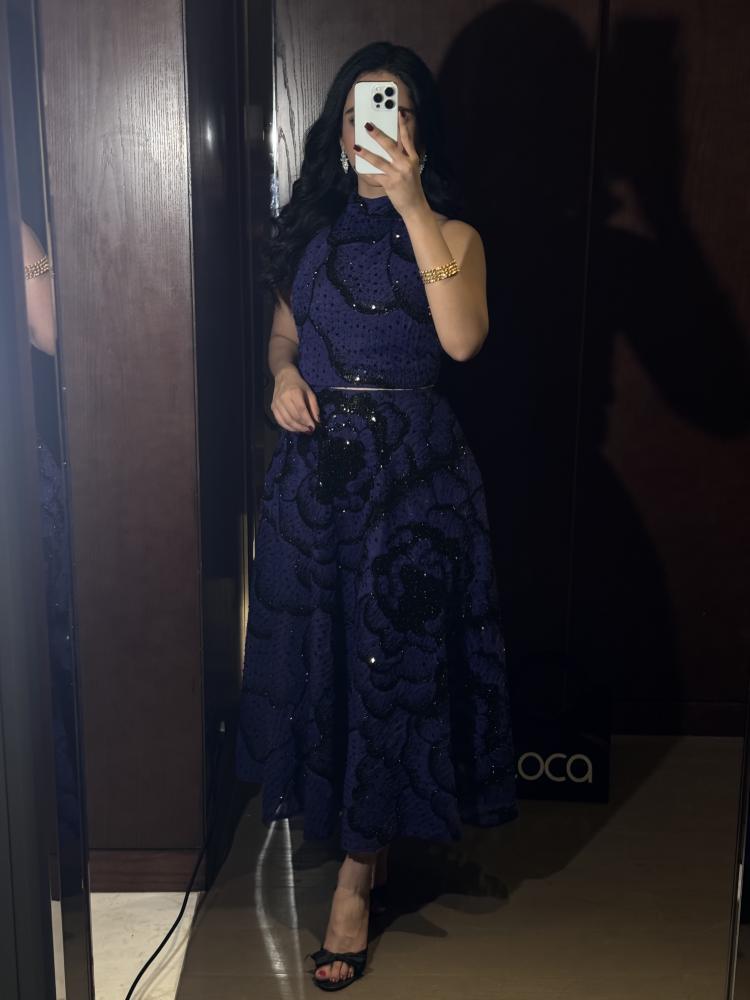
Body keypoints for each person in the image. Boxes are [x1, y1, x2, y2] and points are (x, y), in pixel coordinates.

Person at [235, 41, 519, 990]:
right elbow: (284, 333)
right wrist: (281, 376)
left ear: (416, 127)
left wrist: (411, 204)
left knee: (391, 668)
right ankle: (365, 835)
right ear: (337, 125)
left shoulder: (455, 232)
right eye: (361, 108)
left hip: (411, 482)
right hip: (317, 479)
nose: (375, 127)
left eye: (392, 108)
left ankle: (354, 885)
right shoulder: (310, 229)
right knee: (331, 661)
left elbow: (463, 340)